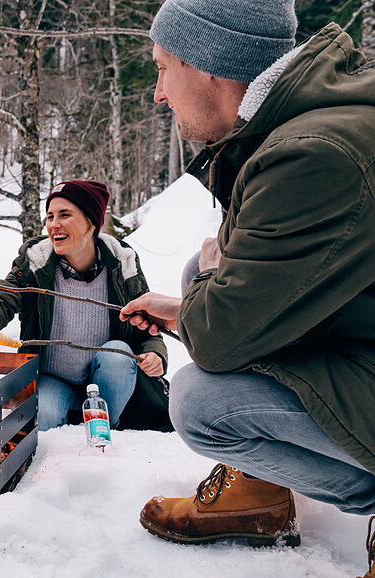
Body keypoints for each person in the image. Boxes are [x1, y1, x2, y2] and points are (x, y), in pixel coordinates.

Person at [118, 0, 375, 569]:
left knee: (201, 402)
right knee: (196, 277)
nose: (158, 93)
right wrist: (196, 295)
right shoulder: (298, 121)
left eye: (163, 68)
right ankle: (261, 490)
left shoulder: (311, 155)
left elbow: (217, 338)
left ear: (209, 63)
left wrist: (203, 298)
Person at [0, 180, 170, 431]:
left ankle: (107, 427)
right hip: (52, 379)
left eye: (64, 215)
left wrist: (156, 355)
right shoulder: (35, 263)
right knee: (45, 416)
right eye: (49, 216)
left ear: (92, 222)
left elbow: (147, 327)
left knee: (119, 353)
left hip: (106, 379)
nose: (53, 225)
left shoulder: (122, 265)